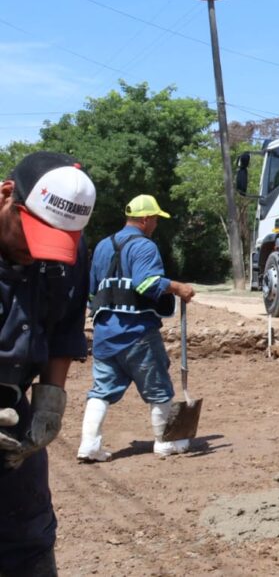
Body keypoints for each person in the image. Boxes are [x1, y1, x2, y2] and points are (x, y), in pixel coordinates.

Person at [0, 151, 96, 575]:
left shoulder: (70, 250)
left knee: (30, 534)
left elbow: (65, 328)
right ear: (7, 196)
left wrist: (50, 401)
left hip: (13, 407)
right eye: (32, 233)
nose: (37, 252)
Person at [77, 194, 197, 462]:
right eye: (155, 219)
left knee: (101, 390)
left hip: (104, 332)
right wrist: (178, 287)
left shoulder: (103, 246)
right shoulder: (144, 246)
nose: (155, 224)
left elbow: (92, 291)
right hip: (137, 332)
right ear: (145, 219)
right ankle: (164, 442)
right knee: (159, 389)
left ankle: (89, 445)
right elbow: (146, 283)